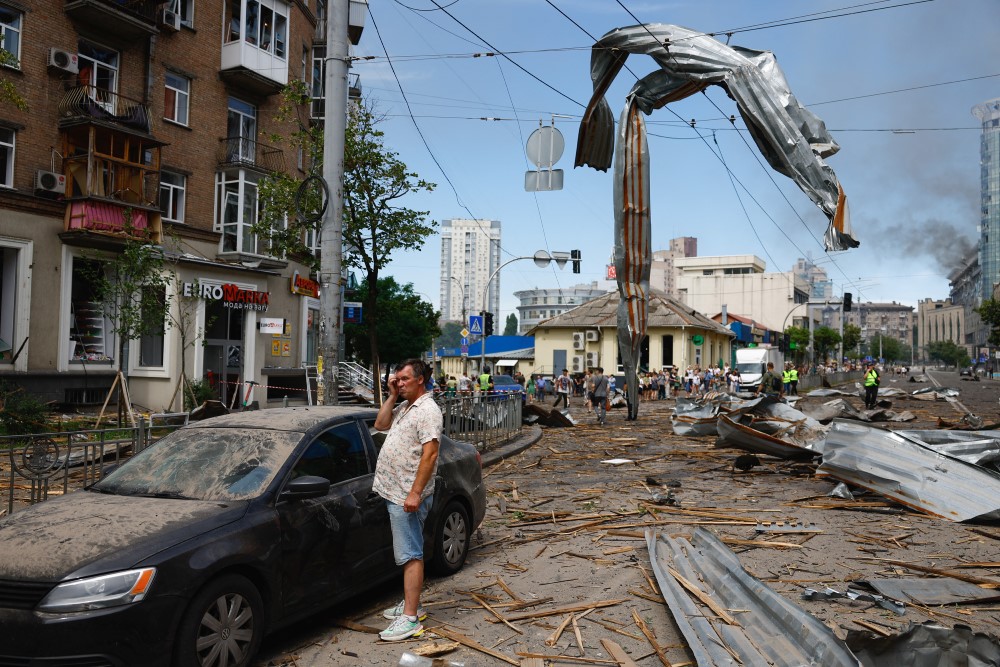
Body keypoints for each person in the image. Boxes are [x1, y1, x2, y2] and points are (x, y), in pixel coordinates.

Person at [373, 359, 441, 642]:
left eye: (404, 379)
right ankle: (414, 604)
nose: (399, 383)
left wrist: (414, 492)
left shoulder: (428, 410)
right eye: (396, 379)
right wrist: (391, 395)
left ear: (420, 380)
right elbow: (379, 424)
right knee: (408, 551)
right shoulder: (405, 406)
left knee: (410, 554)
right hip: (396, 492)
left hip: (406, 495)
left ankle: (411, 619)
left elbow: (431, 454)